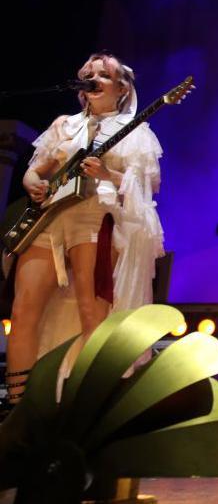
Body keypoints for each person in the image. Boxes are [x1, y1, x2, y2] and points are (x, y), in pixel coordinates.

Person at [2, 53, 164, 415]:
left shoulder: (135, 131)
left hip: (94, 218)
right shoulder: (64, 125)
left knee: (93, 312)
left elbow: (147, 187)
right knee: (24, 306)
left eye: (103, 75)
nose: (93, 79)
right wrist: (33, 185)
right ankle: (19, 407)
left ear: (122, 88)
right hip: (50, 219)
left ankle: (85, 406)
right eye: (88, 74)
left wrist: (107, 175)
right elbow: (35, 171)